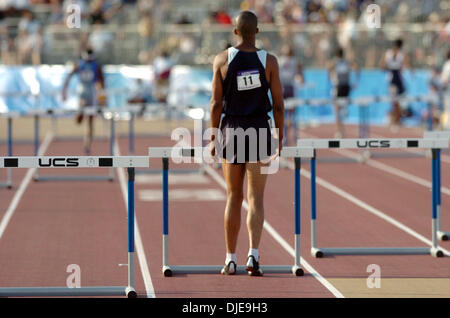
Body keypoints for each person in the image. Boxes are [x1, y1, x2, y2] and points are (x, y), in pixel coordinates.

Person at [209, 11, 284, 276]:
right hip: (260, 130)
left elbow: (216, 104)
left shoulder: (222, 60)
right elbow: (278, 105)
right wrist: (280, 137)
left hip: (232, 130)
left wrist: (213, 137)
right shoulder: (269, 61)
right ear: (258, 32)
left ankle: (230, 259)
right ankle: (253, 256)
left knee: (233, 196)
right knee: (257, 198)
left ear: (236, 32)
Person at [62, 47, 105, 154]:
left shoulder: (95, 65)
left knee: (90, 121)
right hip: (83, 91)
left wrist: (102, 97)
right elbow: (69, 76)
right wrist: (64, 90)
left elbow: (101, 82)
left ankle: (87, 145)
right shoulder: (80, 64)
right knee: (79, 120)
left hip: (91, 92)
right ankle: (80, 114)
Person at [380, 38, 411, 130]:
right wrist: (391, 67)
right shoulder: (392, 54)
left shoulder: (397, 54)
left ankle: (396, 120)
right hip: (393, 81)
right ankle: (395, 121)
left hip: (398, 80)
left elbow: (382, 66)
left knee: (399, 102)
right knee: (395, 102)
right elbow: (382, 66)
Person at [328, 47, 358, 138]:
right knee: (339, 108)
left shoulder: (335, 62)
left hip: (339, 87)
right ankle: (344, 109)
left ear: (336, 55)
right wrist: (355, 82)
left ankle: (339, 131)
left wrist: (331, 78)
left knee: (336, 110)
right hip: (346, 87)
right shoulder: (347, 62)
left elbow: (328, 68)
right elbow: (356, 68)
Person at [278, 44, 304, 145]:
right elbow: (300, 72)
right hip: (286, 89)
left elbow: (300, 71)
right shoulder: (284, 60)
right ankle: (290, 137)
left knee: (288, 115)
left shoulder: (284, 60)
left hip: (287, 88)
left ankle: (290, 137)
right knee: (287, 115)